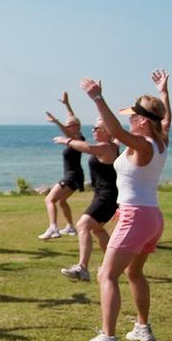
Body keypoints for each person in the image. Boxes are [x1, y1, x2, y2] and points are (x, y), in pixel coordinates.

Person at [75, 70, 171, 341]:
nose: (130, 119)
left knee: (106, 274)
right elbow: (166, 119)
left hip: (137, 216)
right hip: (151, 216)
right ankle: (142, 327)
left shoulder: (142, 145)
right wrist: (164, 91)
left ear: (143, 120)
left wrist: (97, 98)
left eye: (133, 116)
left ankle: (107, 338)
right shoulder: (162, 139)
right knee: (134, 273)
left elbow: (115, 132)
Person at [56, 118, 120, 282]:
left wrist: (67, 140)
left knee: (82, 225)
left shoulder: (106, 148)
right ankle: (112, 264)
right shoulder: (111, 146)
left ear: (106, 131)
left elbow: (88, 148)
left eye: (96, 128)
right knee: (97, 229)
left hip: (107, 196)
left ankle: (82, 268)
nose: (92, 130)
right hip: (104, 195)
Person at [40, 92, 85, 239]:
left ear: (75, 127)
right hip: (75, 176)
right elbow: (72, 120)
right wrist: (67, 104)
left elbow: (68, 128)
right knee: (62, 201)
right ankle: (70, 227)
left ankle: (53, 227)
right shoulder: (76, 135)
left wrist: (56, 121)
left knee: (49, 200)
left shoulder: (76, 137)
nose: (67, 127)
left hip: (72, 176)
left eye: (69, 125)